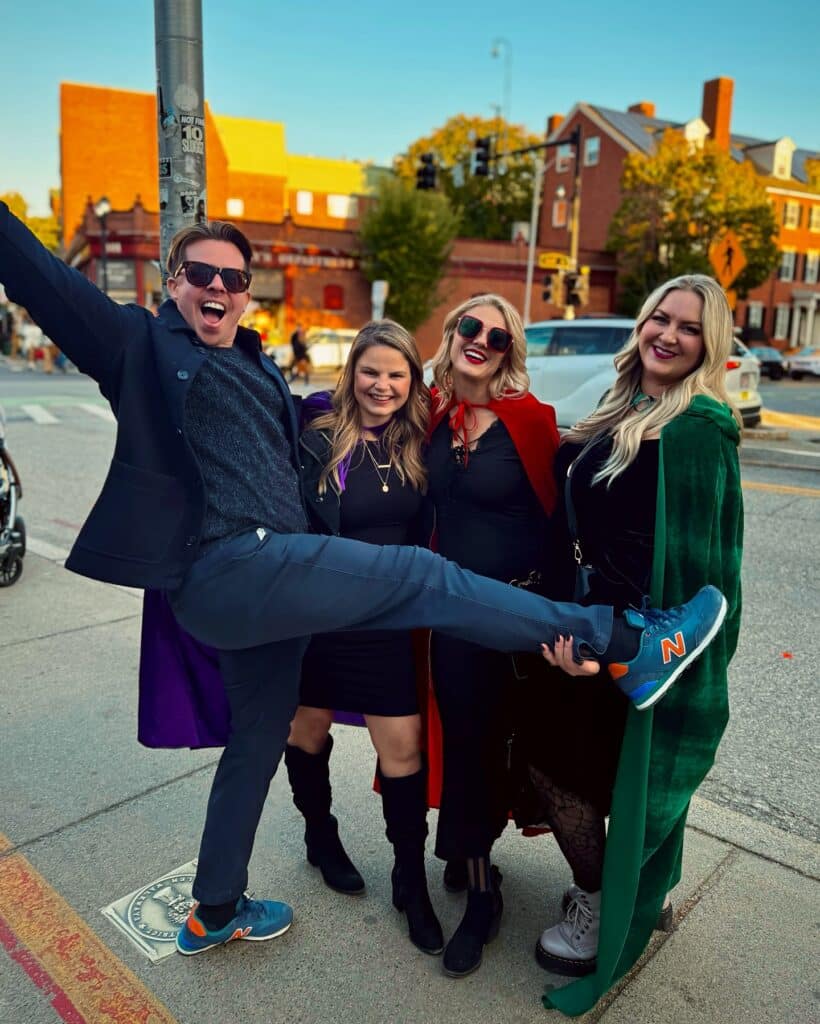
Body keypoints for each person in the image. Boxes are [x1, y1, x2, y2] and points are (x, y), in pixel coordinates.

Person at [0, 201, 727, 960]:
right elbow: (42, 277)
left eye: (233, 277)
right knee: (419, 575)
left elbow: (375, 428)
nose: (216, 287)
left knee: (256, 741)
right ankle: (622, 641)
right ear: (171, 282)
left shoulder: (254, 366)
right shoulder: (139, 345)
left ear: (248, 292)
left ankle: (214, 907)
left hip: (271, 589)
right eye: (200, 274)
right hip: (231, 564)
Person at [525, 274, 743, 1015]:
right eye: (660, 317)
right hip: (578, 623)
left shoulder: (700, 429)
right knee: (564, 766)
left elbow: (709, 565)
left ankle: (604, 899)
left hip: (634, 644)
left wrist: (645, 649)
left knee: (586, 771)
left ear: (706, 344)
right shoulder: (625, 406)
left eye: (688, 327)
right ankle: (623, 889)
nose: (668, 334)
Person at [286, 319, 443, 954]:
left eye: (396, 374)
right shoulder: (317, 437)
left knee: (402, 747)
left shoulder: (422, 444)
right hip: (319, 616)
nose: (382, 385)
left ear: (412, 381)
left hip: (387, 621)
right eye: (370, 371)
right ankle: (319, 835)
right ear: (352, 373)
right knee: (305, 730)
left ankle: (411, 875)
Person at [423, 293, 561, 977]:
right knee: (461, 747)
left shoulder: (531, 423)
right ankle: (475, 871)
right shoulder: (435, 416)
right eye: (470, 327)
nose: (480, 340)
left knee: (488, 753)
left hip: (513, 624)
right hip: (447, 619)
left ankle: (482, 895)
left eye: (497, 337)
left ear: (510, 354)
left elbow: (561, 520)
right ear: (451, 336)